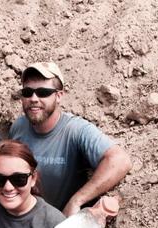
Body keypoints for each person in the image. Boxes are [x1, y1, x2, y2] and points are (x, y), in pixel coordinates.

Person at [10, 61, 132, 216]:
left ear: (59, 95)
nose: (34, 98)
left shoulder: (75, 130)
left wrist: (77, 200)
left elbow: (120, 160)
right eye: (27, 92)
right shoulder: (18, 127)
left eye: (43, 92)